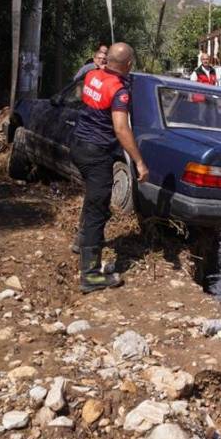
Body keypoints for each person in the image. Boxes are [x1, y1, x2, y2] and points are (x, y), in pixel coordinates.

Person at [71, 42, 149, 293]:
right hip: (96, 154)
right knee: (97, 209)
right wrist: (138, 161)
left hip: (78, 146)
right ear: (128, 65)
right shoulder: (119, 91)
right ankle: (91, 276)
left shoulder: (92, 75)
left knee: (93, 199)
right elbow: (120, 128)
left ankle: (80, 244)